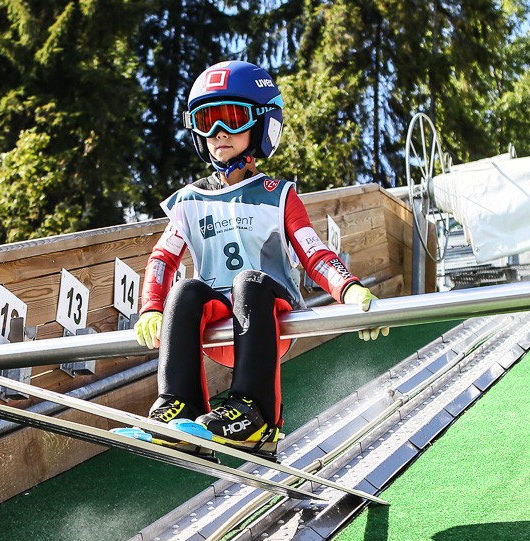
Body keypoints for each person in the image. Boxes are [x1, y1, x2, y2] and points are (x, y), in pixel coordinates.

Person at [132, 60, 388, 462]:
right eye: (207, 121)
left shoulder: (277, 194)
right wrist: (151, 307)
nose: (218, 133)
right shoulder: (190, 200)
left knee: (248, 281)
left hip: (268, 316)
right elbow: (162, 259)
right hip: (218, 323)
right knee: (185, 290)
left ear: (262, 124)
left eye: (232, 119)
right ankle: (180, 407)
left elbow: (314, 253)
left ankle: (257, 414)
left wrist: (351, 290)